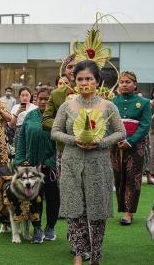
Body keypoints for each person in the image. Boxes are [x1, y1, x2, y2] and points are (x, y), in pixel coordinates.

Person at [51, 60, 125, 265]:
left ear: (98, 81)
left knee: (97, 212)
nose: (84, 82)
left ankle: (96, 257)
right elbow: (55, 131)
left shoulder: (108, 105)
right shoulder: (67, 106)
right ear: (74, 82)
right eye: (80, 79)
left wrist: (101, 143)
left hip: (98, 164)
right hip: (71, 163)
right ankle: (78, 255)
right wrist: (72, 139)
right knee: (74, 211)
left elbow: (121, 132)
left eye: (89, 79)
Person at [15, 87, 59, 244]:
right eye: (40, 98)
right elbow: (21, 140)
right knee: (34, 197)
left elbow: (61, 143)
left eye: (47, 98)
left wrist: (50, 163)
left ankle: (50, 228)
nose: (43, 101)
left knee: (53, 198)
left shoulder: (58, 117)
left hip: (51, 167)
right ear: (35, 99)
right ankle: (37, 228)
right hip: (31, 166)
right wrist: (20, 160)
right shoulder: (30, 116)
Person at [111, 71, 152, 226]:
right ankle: (122, 208)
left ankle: (129, 213)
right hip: (115, 145)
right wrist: (114, 139)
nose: (124, 84)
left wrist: (131, 141)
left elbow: (145, 125)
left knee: (132, 178)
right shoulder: (112, 101)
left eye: (128, 82)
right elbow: (107, 123)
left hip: (136, 146)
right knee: (118, 177)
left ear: (135, 84)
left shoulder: (144, 102)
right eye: (121, 82)